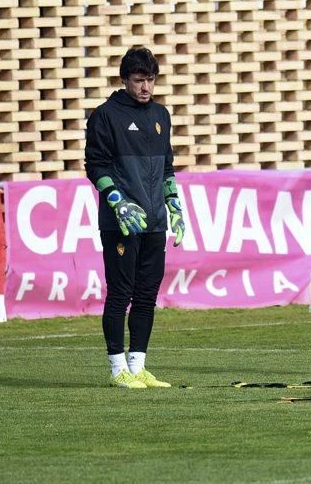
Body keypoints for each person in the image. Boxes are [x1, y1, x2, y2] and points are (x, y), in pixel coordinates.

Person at [85, 47, 185, 389]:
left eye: (151, 80)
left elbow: (167, 166)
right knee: (120, 294)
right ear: (124, 80)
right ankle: (116, 370)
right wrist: (117, 201)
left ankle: (138, 366)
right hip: (122, 222)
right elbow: (95, 165)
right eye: (139, 80)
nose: (146, 87)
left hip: (155, 220)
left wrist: (174, 204)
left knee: (147, 295)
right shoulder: (105, 115)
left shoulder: (161, 114)